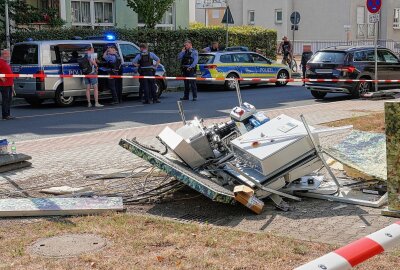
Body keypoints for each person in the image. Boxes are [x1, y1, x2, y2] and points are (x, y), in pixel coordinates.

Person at [0, 49, 14, 120]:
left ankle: (7, 114)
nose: (9, 56)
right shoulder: (0, 62)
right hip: (4, 85)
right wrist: (1, 77)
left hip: (9, 84)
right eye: (8, 54)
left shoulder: (5, 62)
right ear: (4, 54)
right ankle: (5, 115)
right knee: (5, 99)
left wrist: (12, 84)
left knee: (9, 99)